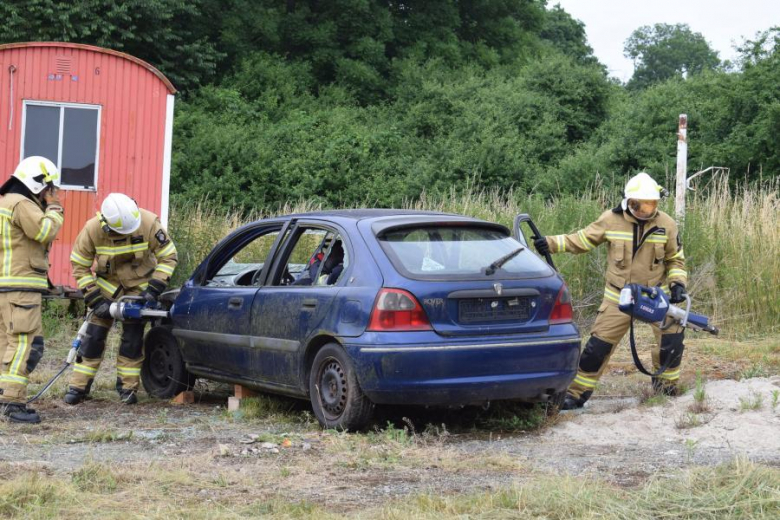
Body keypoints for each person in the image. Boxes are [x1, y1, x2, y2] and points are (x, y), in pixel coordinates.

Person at [534, 173, 688, 410]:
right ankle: (576, 394)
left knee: (672, 342)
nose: (647, 209)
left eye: (652, 204)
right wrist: (550, 243)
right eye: (642, 204)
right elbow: (582, 240)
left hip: (657, 297)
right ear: (629, 201)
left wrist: (678, 284)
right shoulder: (610, 220)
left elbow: (675, 259)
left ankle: (666, 391)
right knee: (597, 349)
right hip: (619, 297)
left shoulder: (666, 224)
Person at [64, 193, 177, 405]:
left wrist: (153, 289)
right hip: (105, 290)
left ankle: (127, 389)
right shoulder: (92, 229)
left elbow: (168, 255)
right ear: (106, 224)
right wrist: (95, 300)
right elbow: (80, 264)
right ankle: (79, 386)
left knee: (132, 341)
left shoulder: (148, 222)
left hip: (138, 290)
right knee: (93, 338)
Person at [0, 156, 64, 423]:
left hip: (6, 285)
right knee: (25, 343)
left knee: (6, 344)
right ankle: (12, 404)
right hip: (20, 286)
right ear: (40, 185)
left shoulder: (4, 202)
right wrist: (55, 208)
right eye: (51, 189)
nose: (53, 193)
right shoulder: (22, 204)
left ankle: (5, 395)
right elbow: (43, 231)